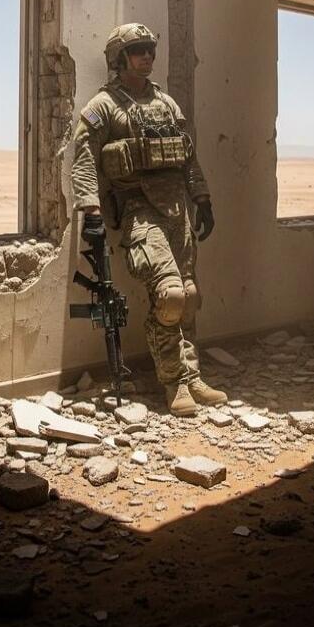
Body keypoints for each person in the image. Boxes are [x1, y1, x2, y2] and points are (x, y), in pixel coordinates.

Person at [71, 22, 227, 416]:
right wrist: (90, 207)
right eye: (138, 50)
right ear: (119, 58)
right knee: (170, 296)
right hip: (140, 209)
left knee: (189, 297)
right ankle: (173, 383)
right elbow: (84, 155)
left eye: (150, 50)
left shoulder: (166, 104)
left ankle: (192, 377)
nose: (147, 57)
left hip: (178, 210)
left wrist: (202, 197)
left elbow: (187, 156)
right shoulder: (105, 105)